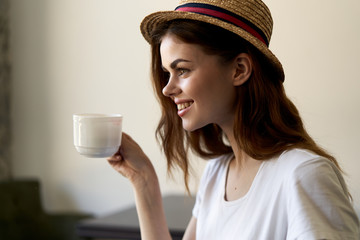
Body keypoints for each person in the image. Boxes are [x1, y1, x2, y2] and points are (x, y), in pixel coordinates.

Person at [108, 0, 360, 239]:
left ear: (239, 69)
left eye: (182, 69)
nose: (167, 88)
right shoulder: (217, 175)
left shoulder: (304, 174)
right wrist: (143, 179)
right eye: (167, 73)